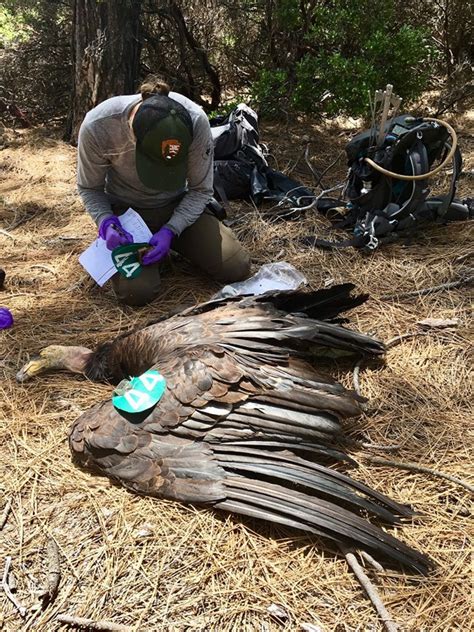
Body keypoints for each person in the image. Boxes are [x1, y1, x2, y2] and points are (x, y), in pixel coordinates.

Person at [77, 76, 251, 306]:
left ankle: (172, 244)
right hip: (126, 211)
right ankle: (152, 254)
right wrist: (106, 221)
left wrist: (172, 229)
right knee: (135, 294)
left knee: (235, 266)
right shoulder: (99, 126)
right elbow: (90, 187)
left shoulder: (195, 121)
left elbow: (200, 189)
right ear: (132, 133)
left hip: (178, 205)